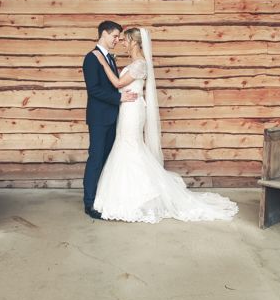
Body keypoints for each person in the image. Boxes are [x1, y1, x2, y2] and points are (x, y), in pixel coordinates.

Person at [92, 27, 238, 223]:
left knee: (130, 145)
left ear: (134, 42)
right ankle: (130, 193)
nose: (122, 43)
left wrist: (102, 63)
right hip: (127, 108)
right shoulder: (135, 63)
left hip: (133, 110)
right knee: (126, 145)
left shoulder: (140, 64)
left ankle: (142, 195)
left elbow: (118, 84)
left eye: (125, 40)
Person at [82, 21, 137, 219]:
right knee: (96, 159)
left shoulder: (109, 59)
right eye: (114, 36)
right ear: (104, 34)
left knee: (107, 160)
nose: (117, 40)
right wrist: (119, 98)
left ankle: (102, 197)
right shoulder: (91, 58)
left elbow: (114, 85)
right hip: (98, 118)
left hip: (113, 117)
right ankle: (89, 203)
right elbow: (94, 90)